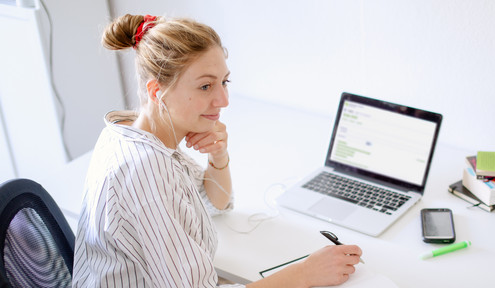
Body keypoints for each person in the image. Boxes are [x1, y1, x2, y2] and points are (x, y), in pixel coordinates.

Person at [72, 14, 362, 288]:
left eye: (224, 82)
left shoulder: (133, 130)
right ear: (157, 91)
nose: (223, 100)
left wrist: (218, 155)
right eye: (205, 86)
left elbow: (216, 204)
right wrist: (305, 273)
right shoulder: (146, 168)